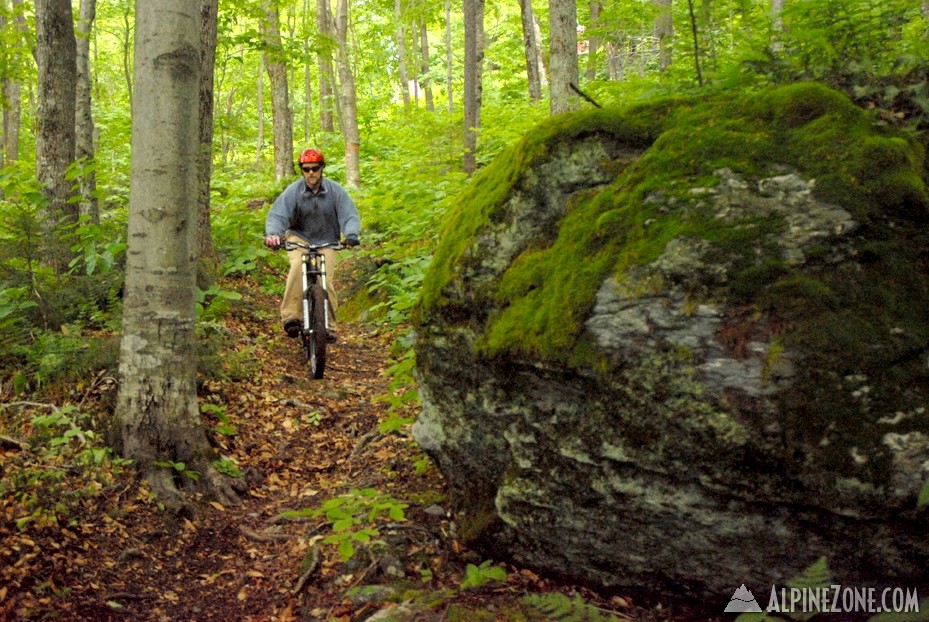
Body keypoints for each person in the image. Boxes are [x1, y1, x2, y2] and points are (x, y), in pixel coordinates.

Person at [264, 148, 361, 340]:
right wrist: (274, 234)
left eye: (315, 168)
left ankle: (330, 326)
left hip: (327, 240)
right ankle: (291, 316)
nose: (311, 173)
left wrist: (351, 234)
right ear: (301, 170)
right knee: (299, 267)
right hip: (299, 238)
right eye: (306, 169)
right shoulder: (294, 191)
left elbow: (349, 214)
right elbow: (277, 215)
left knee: (325, 279)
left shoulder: (335, 191)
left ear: (322, 168)